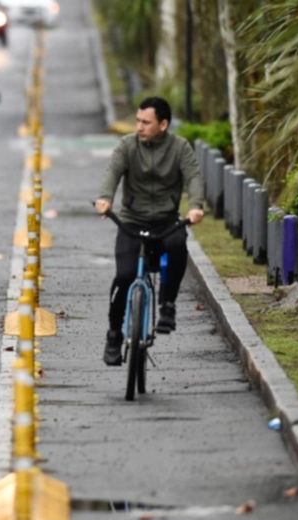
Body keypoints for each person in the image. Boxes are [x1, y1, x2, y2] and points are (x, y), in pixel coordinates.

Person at [95, 97, 205, 366]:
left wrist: (195, 207)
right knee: (124, 277)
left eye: (146, 122)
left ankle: (168, 305)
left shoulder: (180, 148)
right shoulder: (127, 146)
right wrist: (105, 199)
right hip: (132, 222)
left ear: (163, 124)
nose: (139, 127)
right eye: (138, 121)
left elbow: (193, 177)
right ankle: (114, 335)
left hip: (166, 222)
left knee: (178, 245)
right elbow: (112, 172)